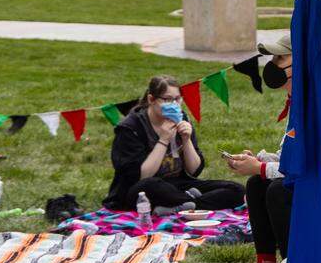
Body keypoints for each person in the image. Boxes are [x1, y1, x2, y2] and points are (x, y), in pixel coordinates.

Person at [104, 75, 244, 214]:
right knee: (151, 186)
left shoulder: (182, 118)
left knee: (237, 190)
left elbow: (194, 171)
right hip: (139, 191)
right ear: (151, 99)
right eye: (167, 99)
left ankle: (182, 206)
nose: (174, 104)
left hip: (178, 185)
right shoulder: (131, 128)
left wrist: (186, 139)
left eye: (177, 99)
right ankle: (190, 202)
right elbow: (141, 177)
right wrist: (163, 140)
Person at [221, 36, 295, 263]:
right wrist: (262, 162)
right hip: (301, 175)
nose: (272, 65)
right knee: (256, 184)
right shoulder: (295, 100)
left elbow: (306, 165)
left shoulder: (314, 103)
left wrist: (260, 167)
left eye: (280, 58)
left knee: (276, 189)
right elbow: (290, 156)